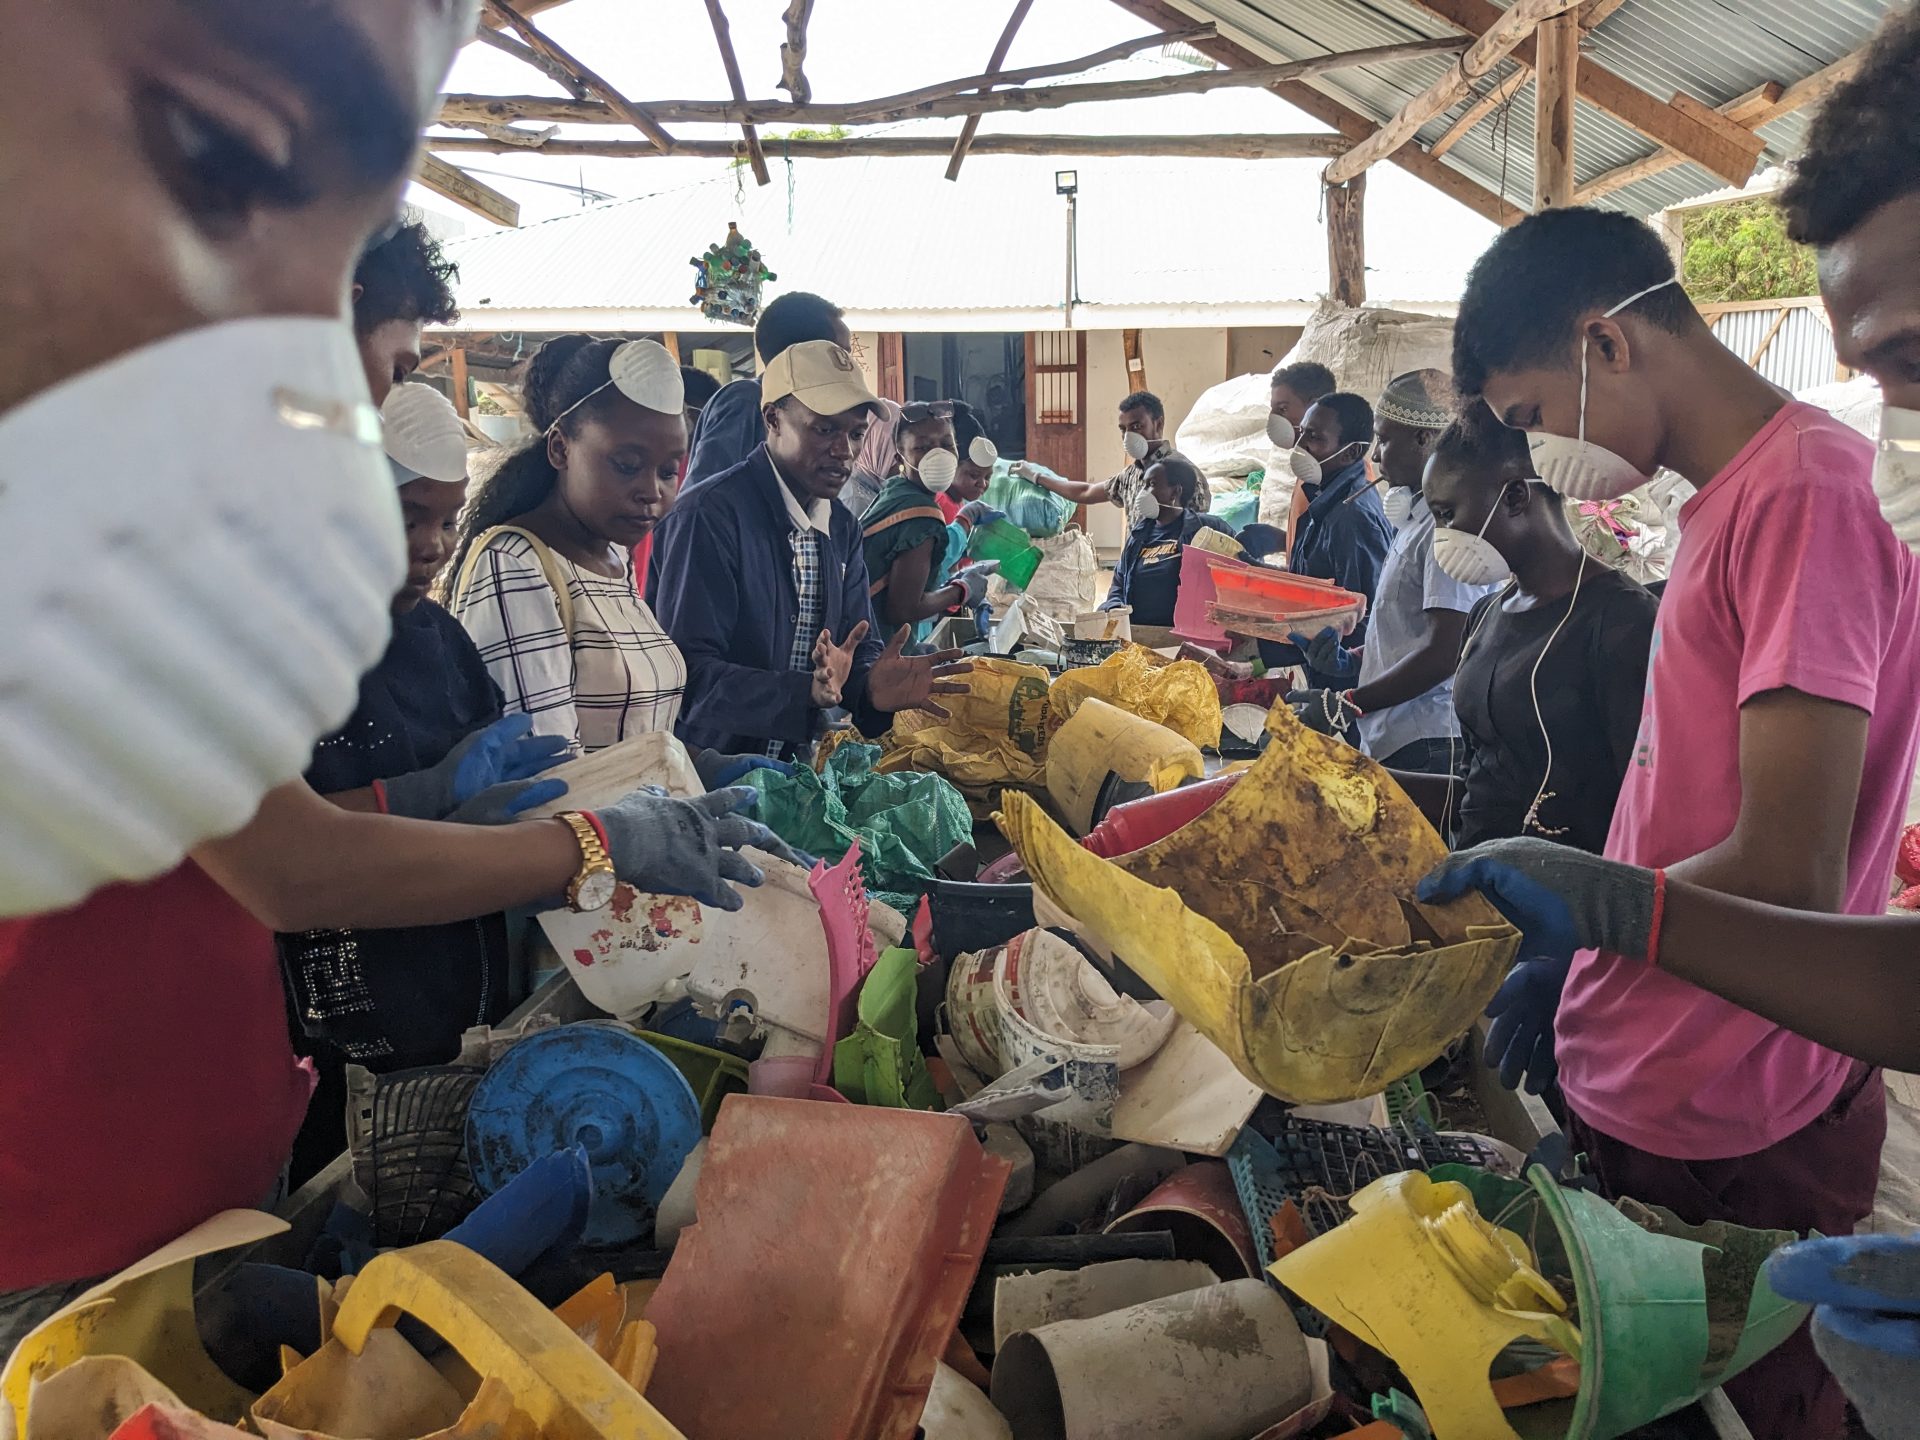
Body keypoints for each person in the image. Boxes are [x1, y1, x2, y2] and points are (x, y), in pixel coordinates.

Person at [0, 1, 794, 1354]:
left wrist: (424, 807)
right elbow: (289, 869)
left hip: (199, 1170)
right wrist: (588, 841)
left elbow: (217, 845)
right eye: (380, 374)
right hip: (77, 1215)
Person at [1422, 13, 1920, 1432]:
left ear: (1607, 340)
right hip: (1672, 1065)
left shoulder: (1805, 497)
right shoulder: (1722, 507)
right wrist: (1586, 969)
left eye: (1529, 412)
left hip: (1742, 1096)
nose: (1537, 453)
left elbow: (1790, 869)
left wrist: (1598, 911)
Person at [651, 340, 972, 759]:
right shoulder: (709, 517)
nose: (845, 452)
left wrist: (872, 684)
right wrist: (804, 691)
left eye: (856, 434)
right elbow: (685, 676)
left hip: (789, 765)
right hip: (705, 771)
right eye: (824, 429)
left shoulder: (839, 527)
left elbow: (856, 643)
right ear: (773, 419)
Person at [1395, 410, 1657, 853]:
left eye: (1447, 514)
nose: (1441, 535)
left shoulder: (1622, 622)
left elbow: (1644, 807)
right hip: (1483, 889)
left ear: (1516, 497)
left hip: (1569, 902)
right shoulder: (1486, 615)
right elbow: (1481, 793)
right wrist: (1360, 778)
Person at [446, 335, 695, 757]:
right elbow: (547, 768)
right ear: (561, 447)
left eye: (668, 471)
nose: (651, 491)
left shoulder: (614, 561)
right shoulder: (514, 565)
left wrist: (698, 767)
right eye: (628, 466)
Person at [1289, 371, 1494, 770]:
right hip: (1398, 735)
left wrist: (1349, 702)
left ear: (1423, 439)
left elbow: (1446, 650)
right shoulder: (1417, 521)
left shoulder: (1446, 529)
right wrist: (1355, 661)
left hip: (1429, 737)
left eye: (1384, 440)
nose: (1377, 457)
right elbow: (1409, 634)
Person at [1270, 391, 1395, 689]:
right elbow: (1315, 583)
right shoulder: (1325, 499)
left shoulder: (1351, 518)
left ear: (1351, 452)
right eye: (1302, 434)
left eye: (1314, 437)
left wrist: (1345, 675)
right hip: (1316, 670)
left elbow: (1363, 617)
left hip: (1343, 685)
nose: (1301, 446)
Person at [683, 292, 851, 488]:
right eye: (841, 354)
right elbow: (709, 498)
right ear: (804, 353)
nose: (849, 367)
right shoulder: (746, 402)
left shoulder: (807, 411)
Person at [859, 401, 997, 641]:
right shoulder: (922, 517)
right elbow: (902, 610)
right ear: (901, 454)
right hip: (879, 647)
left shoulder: (896, 489)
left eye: (946, 444)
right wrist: (962, 591)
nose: (939, 455)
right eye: (923, 447)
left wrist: (953, 580)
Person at [1102, 453, 1237, 628]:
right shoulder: (1138, 536)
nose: (1144, 492)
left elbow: (1240, 570)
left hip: (1188, 637)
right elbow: (1119, 584)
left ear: (1175, 491)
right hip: (1140, 636)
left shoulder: (1207, 529)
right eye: (1144, 485)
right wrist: (1113, 607)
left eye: (1151, 485)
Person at [1022, 392, 1188, 524]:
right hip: (1137, 564)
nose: (1129, 436)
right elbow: (1086, 492)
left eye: (1137, 426)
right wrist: (1037, 477)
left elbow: (1196, 533)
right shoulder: (1130, 475)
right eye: (1123, 429)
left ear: (1158, 424)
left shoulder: (1184, 472)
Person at [1269, 361, 1338, 555]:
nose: (1273, 419)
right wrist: (1284, 540)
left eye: (1282, 409)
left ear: (1314, 408)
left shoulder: (1341, 476)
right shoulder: (1308, 465)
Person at [844, 396, 903, 519]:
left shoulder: (871, 492)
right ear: (877, 449)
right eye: (897, 456)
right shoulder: (856, 505)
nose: (903, 464)